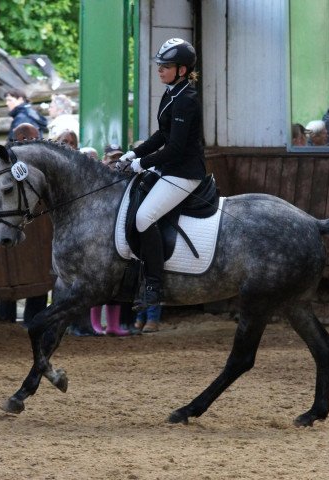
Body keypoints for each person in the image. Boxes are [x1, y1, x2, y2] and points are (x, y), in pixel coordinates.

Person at [118, 38, 206, 311]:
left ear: (181, 70)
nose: (159, 70)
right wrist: (133, 154)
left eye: (165, 66)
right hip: (170, 168)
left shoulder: (187, 100)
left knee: (145, 217)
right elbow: (161, 135)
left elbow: (176, 148)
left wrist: (142, 163)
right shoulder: (172, 93)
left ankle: (154, 286)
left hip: (185, 172)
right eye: (159, 65)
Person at [0, 121, 49, 325]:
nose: (36, 143)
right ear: (22, 139)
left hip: (36, 222)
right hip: (12, 220)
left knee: (39, 272)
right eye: (33, 139)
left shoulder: (39, 160)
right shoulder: (9, 162)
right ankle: (6, 318)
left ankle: (33, 319)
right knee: (8, 270)